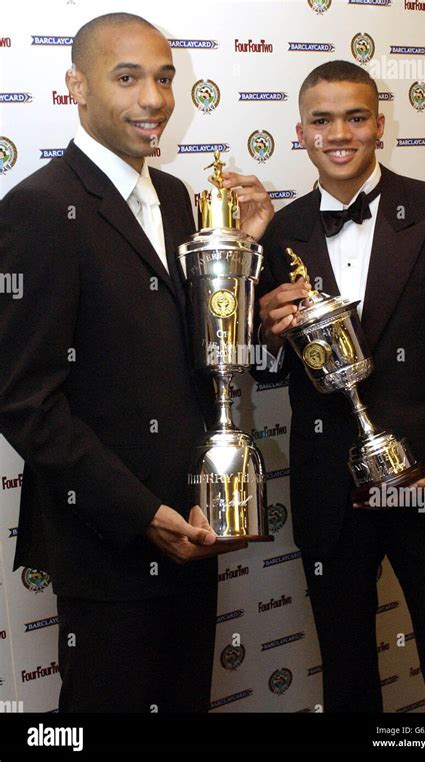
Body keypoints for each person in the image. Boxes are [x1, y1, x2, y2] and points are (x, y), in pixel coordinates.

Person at [0, 12, 273, 713]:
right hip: (108, 537)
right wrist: (140, 511)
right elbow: (24, 398)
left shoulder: (180, 198)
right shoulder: (40, 207)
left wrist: (240, 260)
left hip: (196, 518)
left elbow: (205, 355)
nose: (153, 97)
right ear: (76, 88)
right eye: (127, 77)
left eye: (163, 77)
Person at [256, 60, 425, 712]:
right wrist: (266, 333)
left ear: (380, 125)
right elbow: (271, 371)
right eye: (322, 120)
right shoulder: (280, 233)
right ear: (301, 132)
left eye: (355, 116)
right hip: (330, 490)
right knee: (347, 675)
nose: (339, 132)